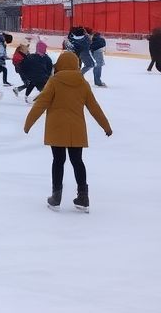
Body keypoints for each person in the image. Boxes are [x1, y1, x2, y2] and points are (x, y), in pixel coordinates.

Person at [23, 51, 112, 212]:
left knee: (58, 161)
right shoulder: (83, 83)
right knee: (77, 161)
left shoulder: (54, 81)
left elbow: (41, 103)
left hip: (56, 128)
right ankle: (83, 197)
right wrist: (106, 126)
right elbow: (94, 107)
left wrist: (28, 123)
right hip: (76, 129)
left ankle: (56, 197)